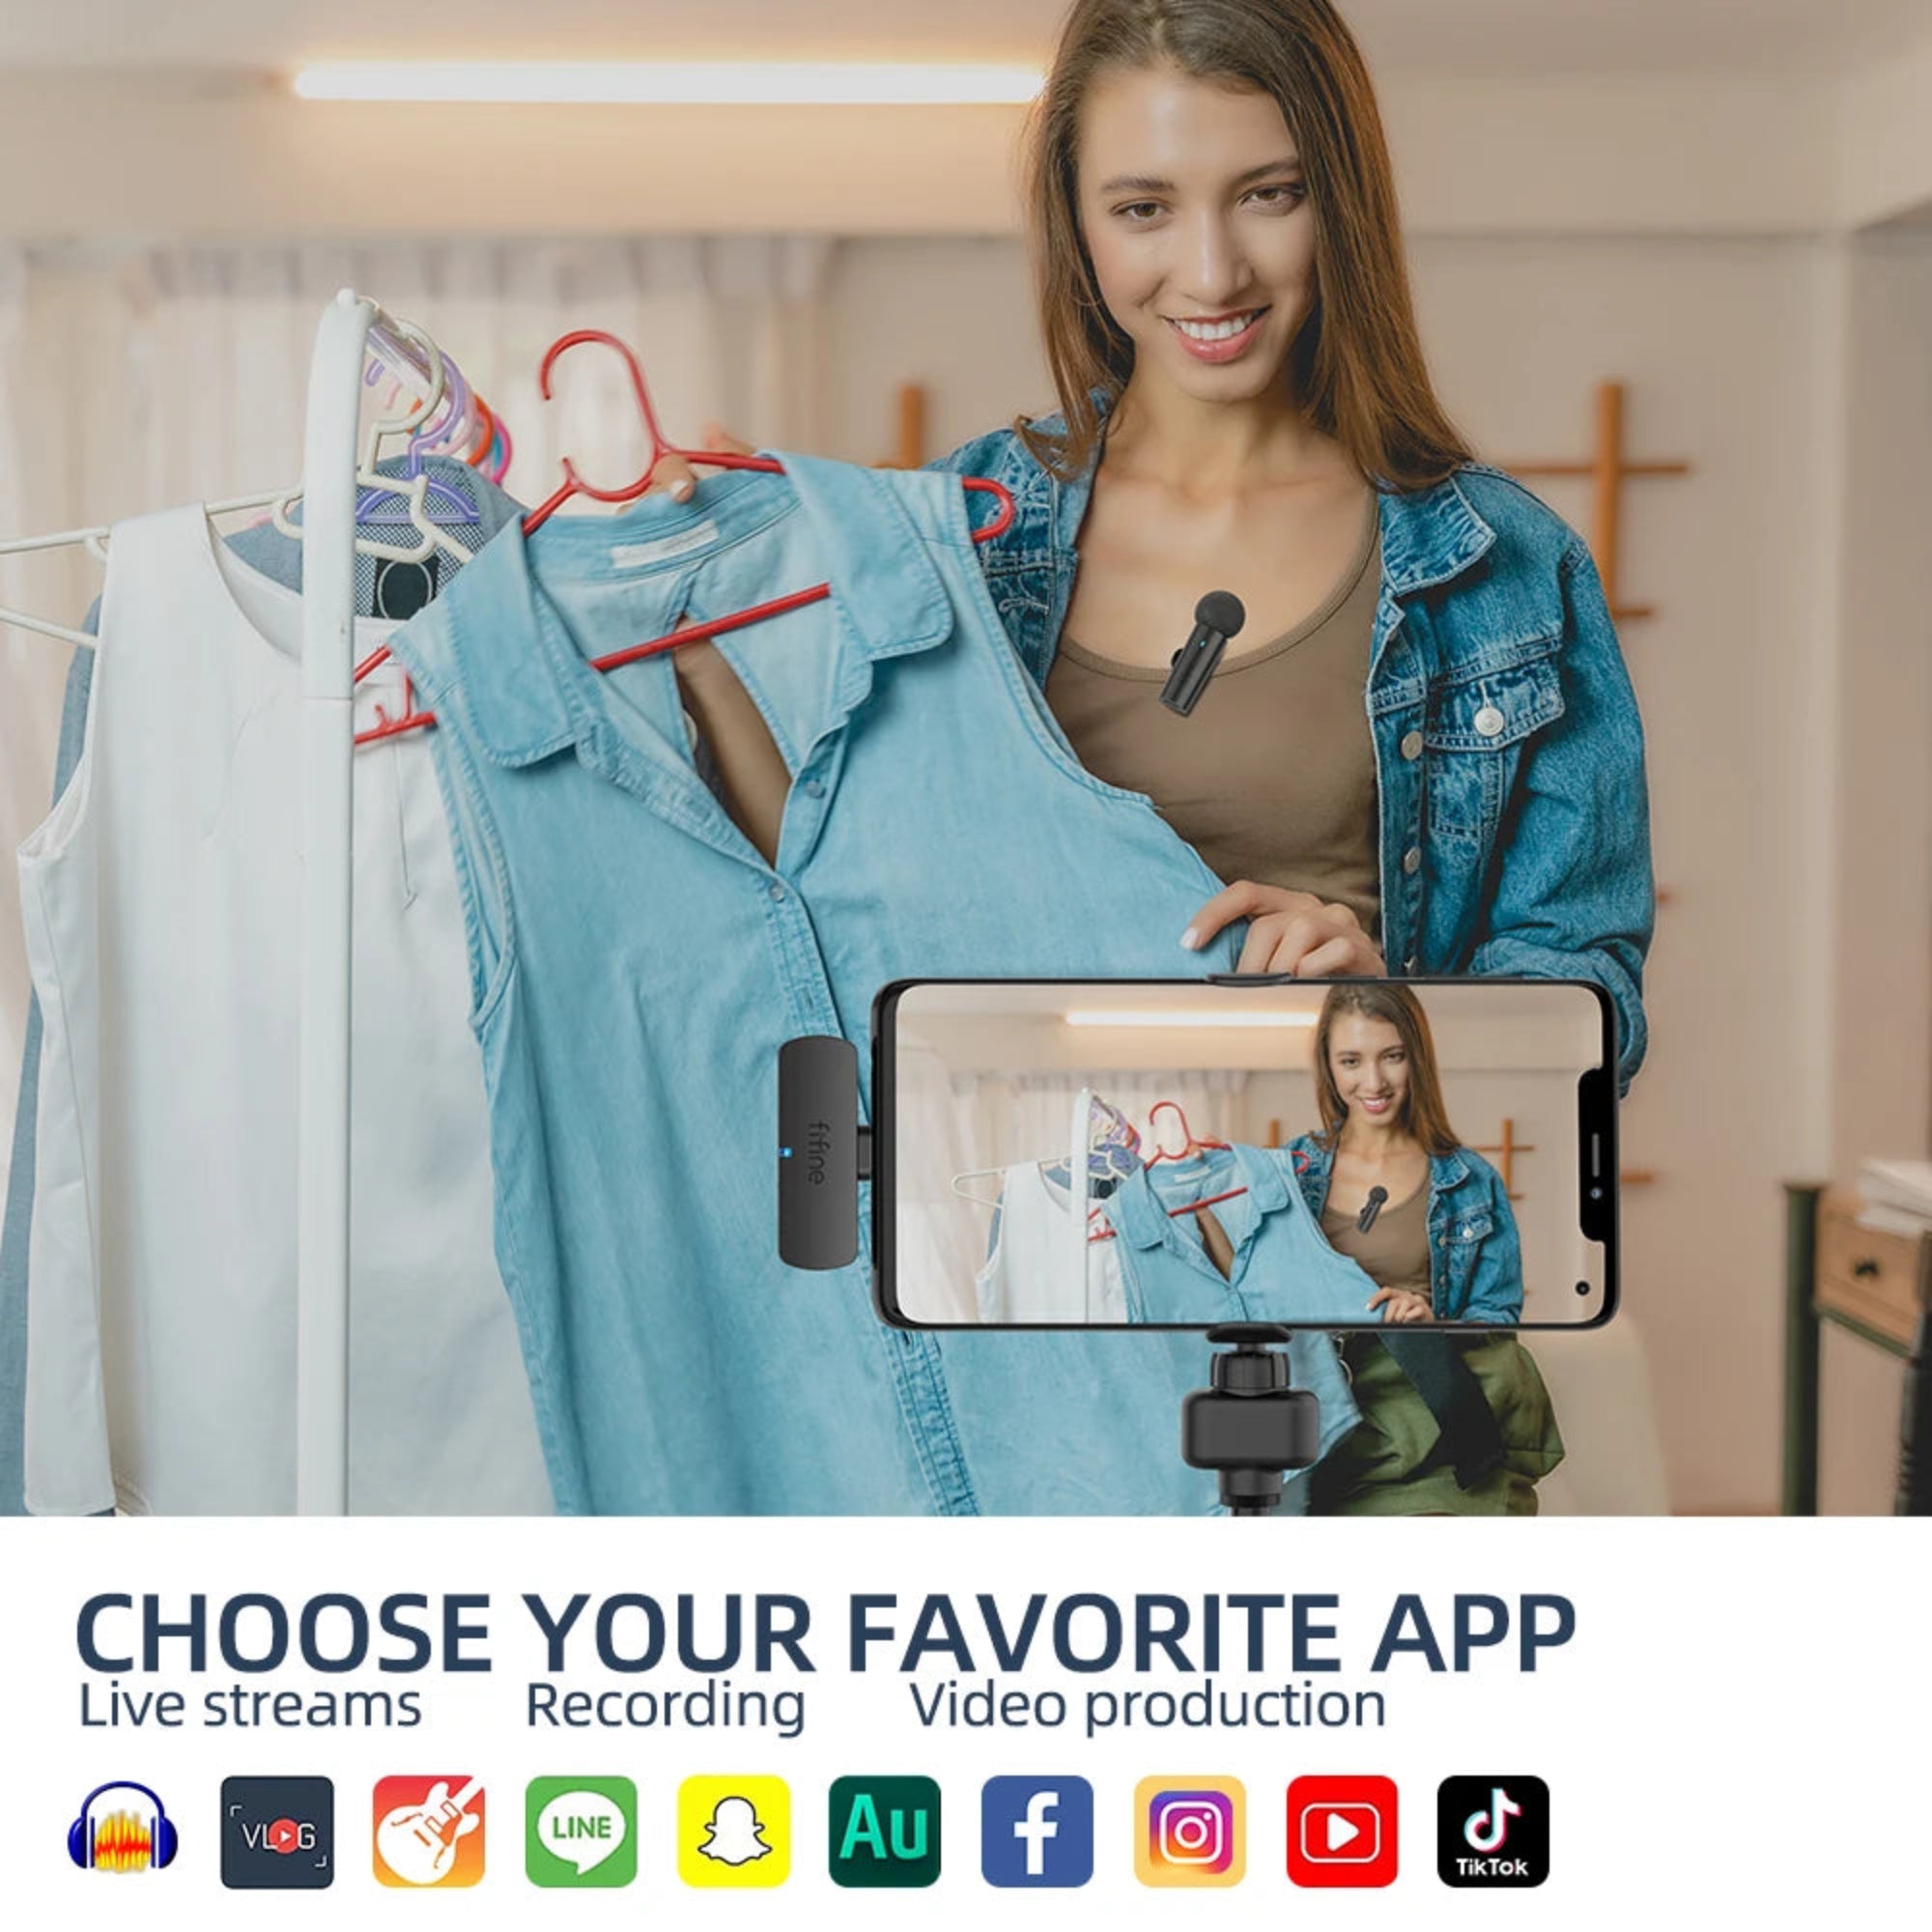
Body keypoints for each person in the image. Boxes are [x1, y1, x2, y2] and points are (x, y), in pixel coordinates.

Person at [652, 0, 1654, 1100]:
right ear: (1077, 227)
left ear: (1342, 201)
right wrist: (703, 625)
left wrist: (1388, 1013)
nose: (1212, 271)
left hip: (1352, 1249)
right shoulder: (948, 538)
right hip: (1022, 1237)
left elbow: (1586, 1010)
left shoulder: (1501, 566)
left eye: (1269, 194)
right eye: (1143, 208)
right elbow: (828, 902)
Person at [1286, 981, 1563, 1514]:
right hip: (1328, 1405)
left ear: (1417, 1057)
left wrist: (1434, 1320)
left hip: (1429, 1401)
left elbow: (1497, 1317)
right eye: (1351, 1060)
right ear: (1328, 1065)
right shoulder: (1291, 1171)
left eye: (1392, 1057)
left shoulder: (1470, 1180)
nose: (1373, 1081)